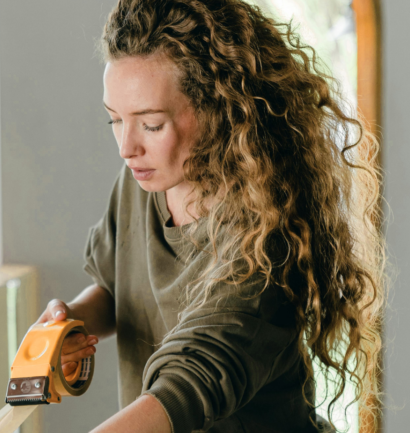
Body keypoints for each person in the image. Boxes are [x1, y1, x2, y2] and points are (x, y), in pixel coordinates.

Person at [34, 1, 386, 432]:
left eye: (151, 125)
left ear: (218, 108)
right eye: (115, 120)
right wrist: (72, 321)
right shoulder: (146, 179)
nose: (127, 148)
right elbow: (114, 285)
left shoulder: (268, 235)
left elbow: (188, 383)